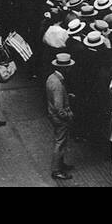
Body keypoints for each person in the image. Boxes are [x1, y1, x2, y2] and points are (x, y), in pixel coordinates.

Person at [46, 53, 75, 181]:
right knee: (60, 142)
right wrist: (68, 116)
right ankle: (56, 170)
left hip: (52, 115)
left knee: (61, 141)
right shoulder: (58, 84)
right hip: (59, 118)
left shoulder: (51, 78)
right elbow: (59, 107)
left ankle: (60, 164)